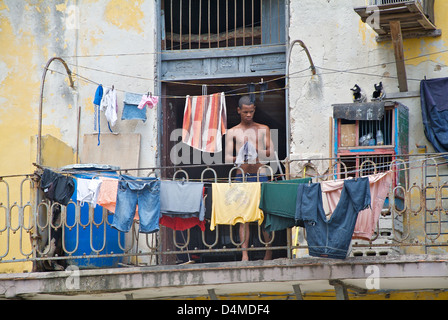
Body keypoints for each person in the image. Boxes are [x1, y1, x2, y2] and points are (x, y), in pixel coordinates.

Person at [225, 95, 274, 261]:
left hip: (261, 176)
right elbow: (226, 157)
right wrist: (241, 156)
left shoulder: (263, 128)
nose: (248, 115)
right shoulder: (232, 131)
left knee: (264, 215)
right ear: (238, 110)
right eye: (245, 112)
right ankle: (244, 254)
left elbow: (270, 153)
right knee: (243, 217)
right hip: (242, 177)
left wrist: (255, 152)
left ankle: (268, 253)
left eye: (251, 112)